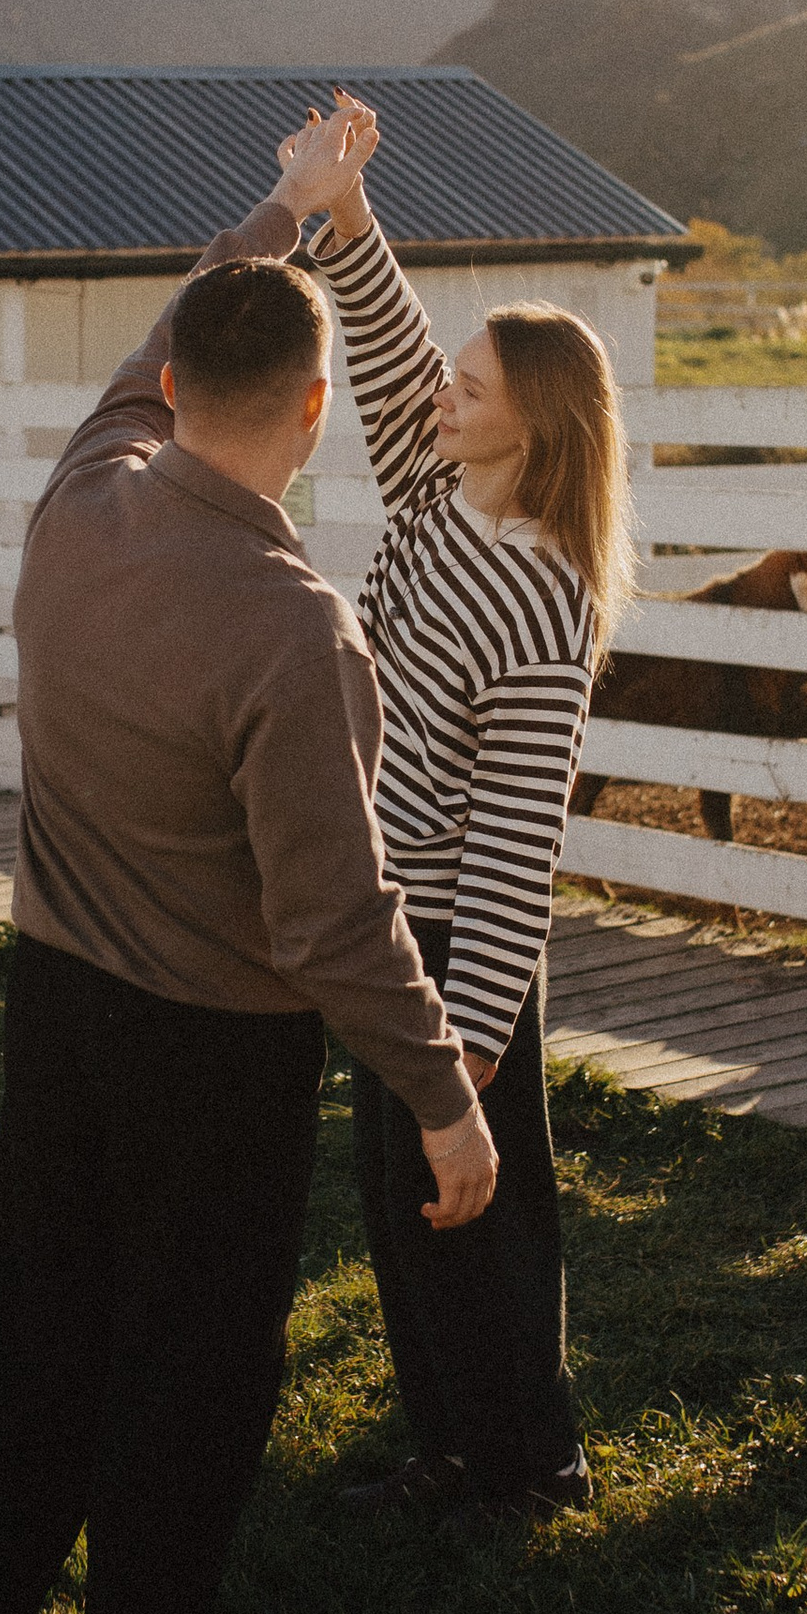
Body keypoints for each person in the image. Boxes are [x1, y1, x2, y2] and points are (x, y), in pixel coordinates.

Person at [0, 187, 500, 1614]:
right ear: (317, 413)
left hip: (55, 1007)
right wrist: (448, 1099)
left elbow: (181, 320)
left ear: (173, 382)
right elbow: (334, 922)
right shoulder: (291, 629)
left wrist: (285, 216)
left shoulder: (79, 499)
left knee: (40, 1319)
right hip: (214, 1057)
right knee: (192, 1365)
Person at [271, 89, 632, 1527]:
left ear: (529, 430)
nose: (443, 396)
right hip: (385, 914)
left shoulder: (543, 596)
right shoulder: (440, 489)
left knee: (478, 1210)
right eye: (458, 381)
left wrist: (474, 1041)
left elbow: (519, 835)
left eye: (473, 392)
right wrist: (347, 215)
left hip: (456, 949)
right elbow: (387, 349)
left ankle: (528, 1463)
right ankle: (453, 1447)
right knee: (401, 1205)